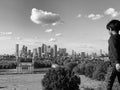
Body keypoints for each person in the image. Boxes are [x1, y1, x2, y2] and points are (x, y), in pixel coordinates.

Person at [106, 19, 120, 90]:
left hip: (114, 64)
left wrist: (117, 62)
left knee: (108, 83)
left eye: (108, 30)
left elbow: (114, 50)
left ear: (110, 29)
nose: (108, 31)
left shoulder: (111, 38)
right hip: (119, 63)